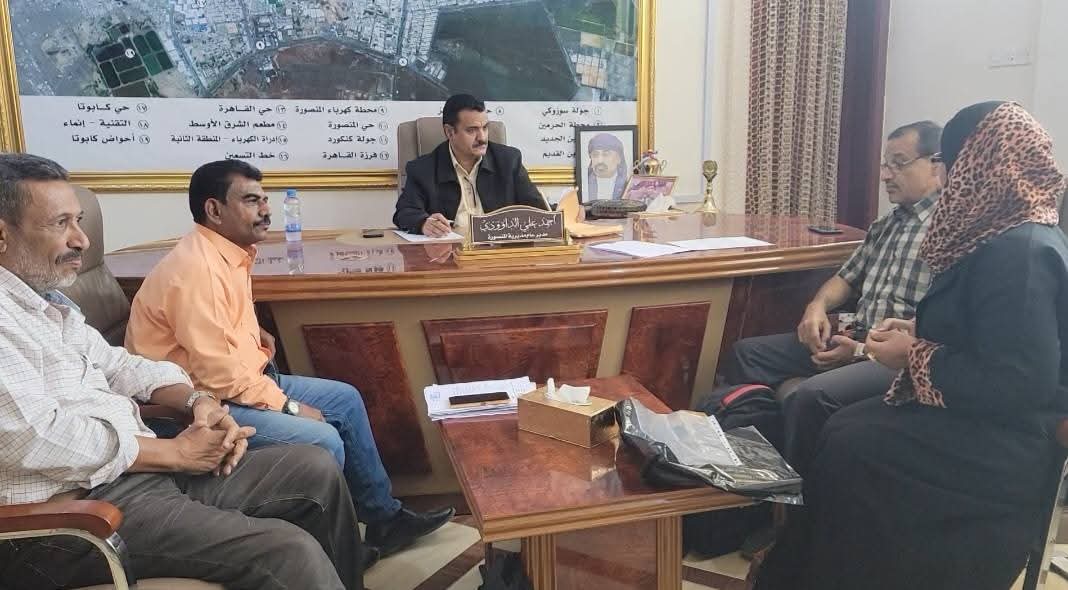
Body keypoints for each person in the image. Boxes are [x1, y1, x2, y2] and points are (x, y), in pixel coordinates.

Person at [0, 153, 365, 590]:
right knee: (289, 552)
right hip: (73, 516)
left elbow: (119, 364)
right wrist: (174, 453)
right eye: (61, 224)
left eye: (78, 221)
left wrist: (197, 401)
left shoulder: (48, 304)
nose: (82, 240)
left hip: (138, 474)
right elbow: (34, 437)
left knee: (315, 468)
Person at [755, 101, 1068, 590]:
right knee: (843, 431)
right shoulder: (1002, 233)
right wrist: (921, 329)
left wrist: (912, 354)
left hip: (1004, 442)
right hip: (972, 414)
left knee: (851, 443)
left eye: (950, 163)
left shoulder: (1020, 252)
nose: (946, 177)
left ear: (981, 164)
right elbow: (987, 332)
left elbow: (1018, 382)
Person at [125, 159, 453, 560]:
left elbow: (220, 335)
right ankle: (338, 554)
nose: (266, 210)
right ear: (214, 210)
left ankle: (384, 519)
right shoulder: (195, 270)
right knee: (323, 438)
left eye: (265, 200)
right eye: (251, 201)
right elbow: (218, 377)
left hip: (241, 380)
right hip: (200, 407)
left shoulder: (226, 252)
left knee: (345, 400)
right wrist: (289, 407)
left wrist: (253, 333)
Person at [722, 120, 944, 475]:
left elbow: (934, 332)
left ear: (935, 164)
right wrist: (817, 306)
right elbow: (846, 279)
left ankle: (795, 496)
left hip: (890, 356)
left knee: (809, 397)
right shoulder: (886, 225)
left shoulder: (947, 230)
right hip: (854, 335)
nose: (885, 175)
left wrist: (861, 351)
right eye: (884, 164)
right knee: (747, 354)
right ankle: (751, 470)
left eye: (898, 164)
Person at [393, 93, 547, 236]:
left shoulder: (508, 161)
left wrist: (558, 211)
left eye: (485, 128)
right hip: (450, 251)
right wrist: (423, 223)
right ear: (449, 132)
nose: (482, 138)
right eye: (472, 130)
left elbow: (537, 209)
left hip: (498, 250)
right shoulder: (423, 169)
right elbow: (404, 213)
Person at [586, 132, 628, 200]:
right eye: (595, 155)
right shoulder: (584, 186)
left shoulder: (628, 185)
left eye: (606, 154)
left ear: (619, 159)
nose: (600, 161)